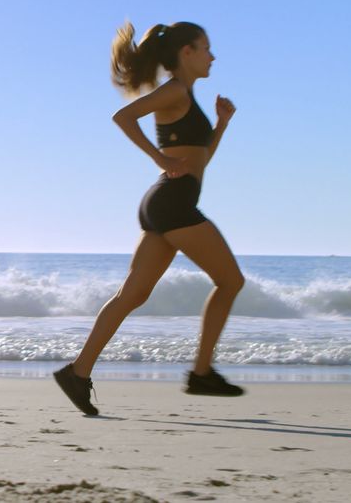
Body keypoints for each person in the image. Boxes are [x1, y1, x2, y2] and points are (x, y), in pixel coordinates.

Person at [54, 21, 245, 416]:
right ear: (186, 53)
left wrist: (221, 125)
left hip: (166, 203)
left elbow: (199, 158)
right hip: (172, 203)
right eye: (206, 48)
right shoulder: (175, 90)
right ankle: (201, 372)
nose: (213, 56)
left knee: (133, 295)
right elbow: (123, 117)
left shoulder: (186, 96)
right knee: (230, 281)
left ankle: (77, 372)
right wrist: (158, 158)